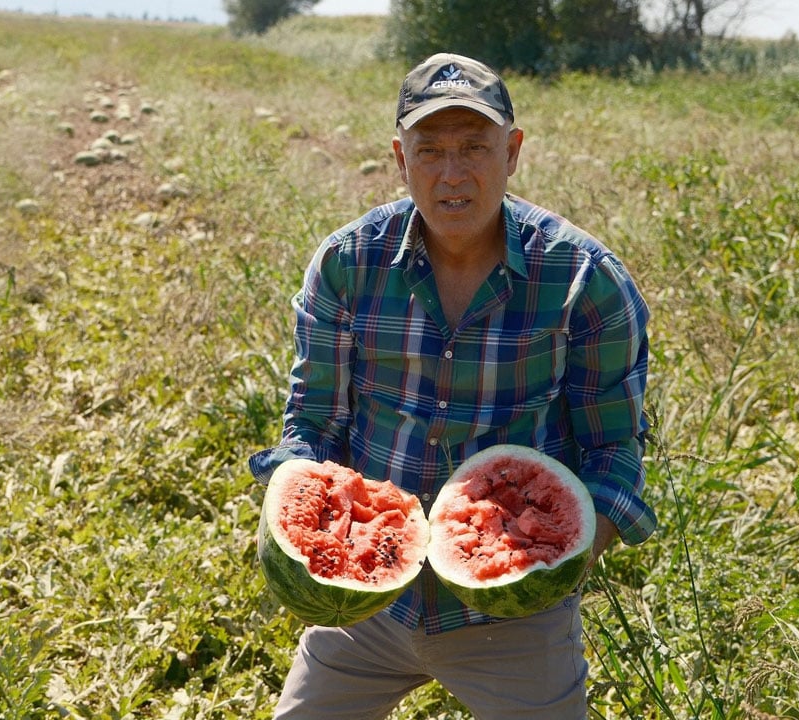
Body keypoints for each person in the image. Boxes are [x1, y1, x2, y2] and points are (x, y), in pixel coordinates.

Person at [248, 52, 657, 718]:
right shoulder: (348, 264)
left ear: (514, 151)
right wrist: (309, 528)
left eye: (475, 147)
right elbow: (312, 419)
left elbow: (616, 450)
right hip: (367, 608)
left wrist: (557, 557)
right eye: (430, 150)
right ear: (399, 157)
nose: (452, 174)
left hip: (516, 624)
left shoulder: (585, 280)